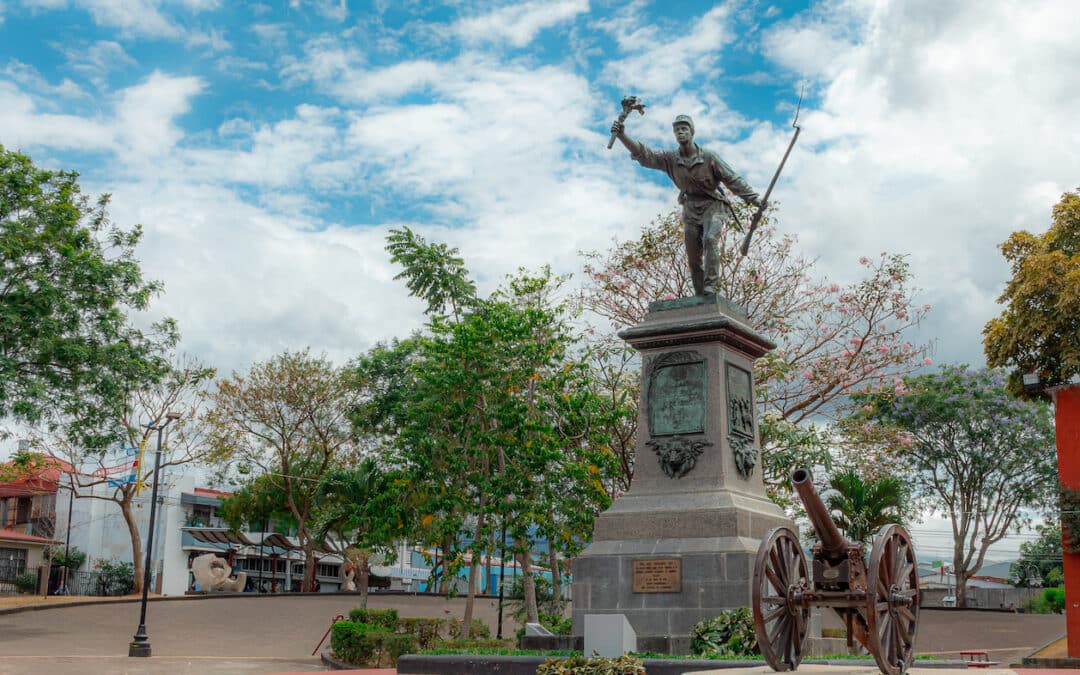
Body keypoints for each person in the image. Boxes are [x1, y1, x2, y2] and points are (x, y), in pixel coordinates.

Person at [611, 114, 761, 296]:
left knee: (710, 239)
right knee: (692, 254)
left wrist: (754, 199)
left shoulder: (709, 157)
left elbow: (732, 179)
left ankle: (712, 286)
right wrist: (622, 137)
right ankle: (700, 294)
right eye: (677, 130)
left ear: (691, 132)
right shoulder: (670, 159)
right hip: (690, 207)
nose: (680, 132)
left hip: (713, 205)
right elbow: (645, 155)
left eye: (684, 129)